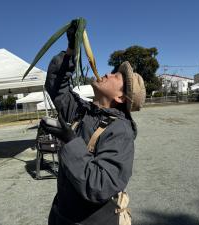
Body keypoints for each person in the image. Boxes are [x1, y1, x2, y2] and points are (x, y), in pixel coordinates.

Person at [40, 22, 146, 225]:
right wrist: (71, 49)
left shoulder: (120, 130)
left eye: (115, 76)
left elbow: (100, 185)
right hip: (62, 216)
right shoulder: (81, 111)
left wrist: (70, 142)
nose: (107, 73)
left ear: (121, 97)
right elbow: (56, 87)